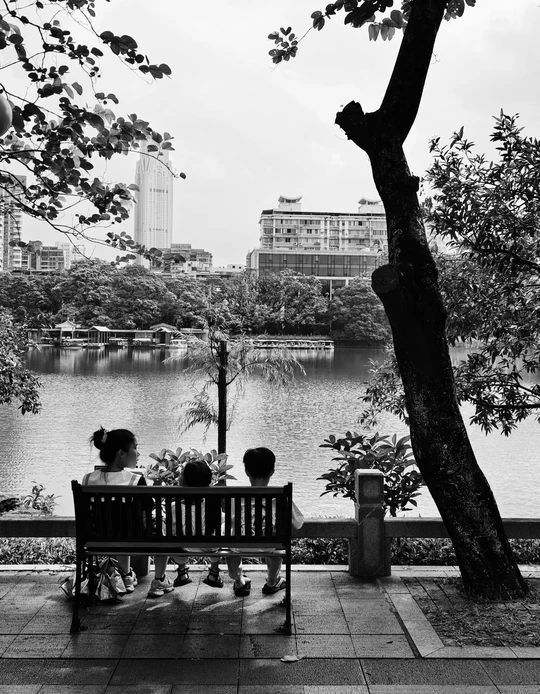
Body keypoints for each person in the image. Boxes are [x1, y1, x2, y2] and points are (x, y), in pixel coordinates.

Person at [85, 427, 174, 599]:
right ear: (121, 453)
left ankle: (126, 576)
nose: (138, 453)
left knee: (120, 524)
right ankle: (159, 579)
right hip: (132, 539)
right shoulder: (135, 480)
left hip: (96, 539)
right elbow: (147, 509)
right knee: (160, 526)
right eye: (135, 448)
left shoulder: (88, 479)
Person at [227, 447, 304, 597]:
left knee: (232, 538)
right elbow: (298, 523)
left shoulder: (235, 497)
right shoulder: (281, 496)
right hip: (270, 545)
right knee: (276, 543)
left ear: (246, 471)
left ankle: (239, 581)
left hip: (239, 545)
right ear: (272, 471)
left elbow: (230, 521)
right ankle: (272, 581)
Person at [171, 460, 223, 588]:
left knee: (176, 536)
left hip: (183, 546)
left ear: (185, 482)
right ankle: (213, 574)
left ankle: (182, 574)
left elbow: (174, 528)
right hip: (210, 545)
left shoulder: (174, 506)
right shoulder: (213, 505)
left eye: (182, 473)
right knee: (218, 531)